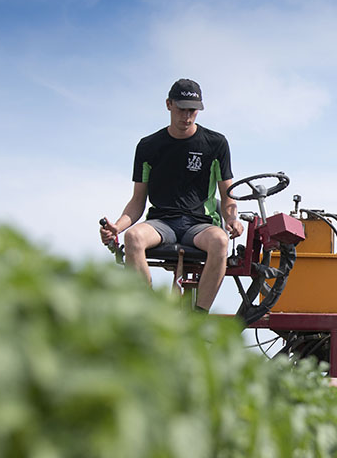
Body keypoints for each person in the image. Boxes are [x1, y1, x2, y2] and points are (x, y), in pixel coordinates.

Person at [100, 78, 244, 312]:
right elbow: (138, 201)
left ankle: (198, 316)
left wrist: (232, 219)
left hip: (199, 225)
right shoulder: (148, 146)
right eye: (181, 109)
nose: (186, 117)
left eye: (192, 111)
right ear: (168, 105)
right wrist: (118, 226)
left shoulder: (215, 144)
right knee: (133, 238)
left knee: (220, 240)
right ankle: (152, 316)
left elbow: (227, 196)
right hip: (161, 223)